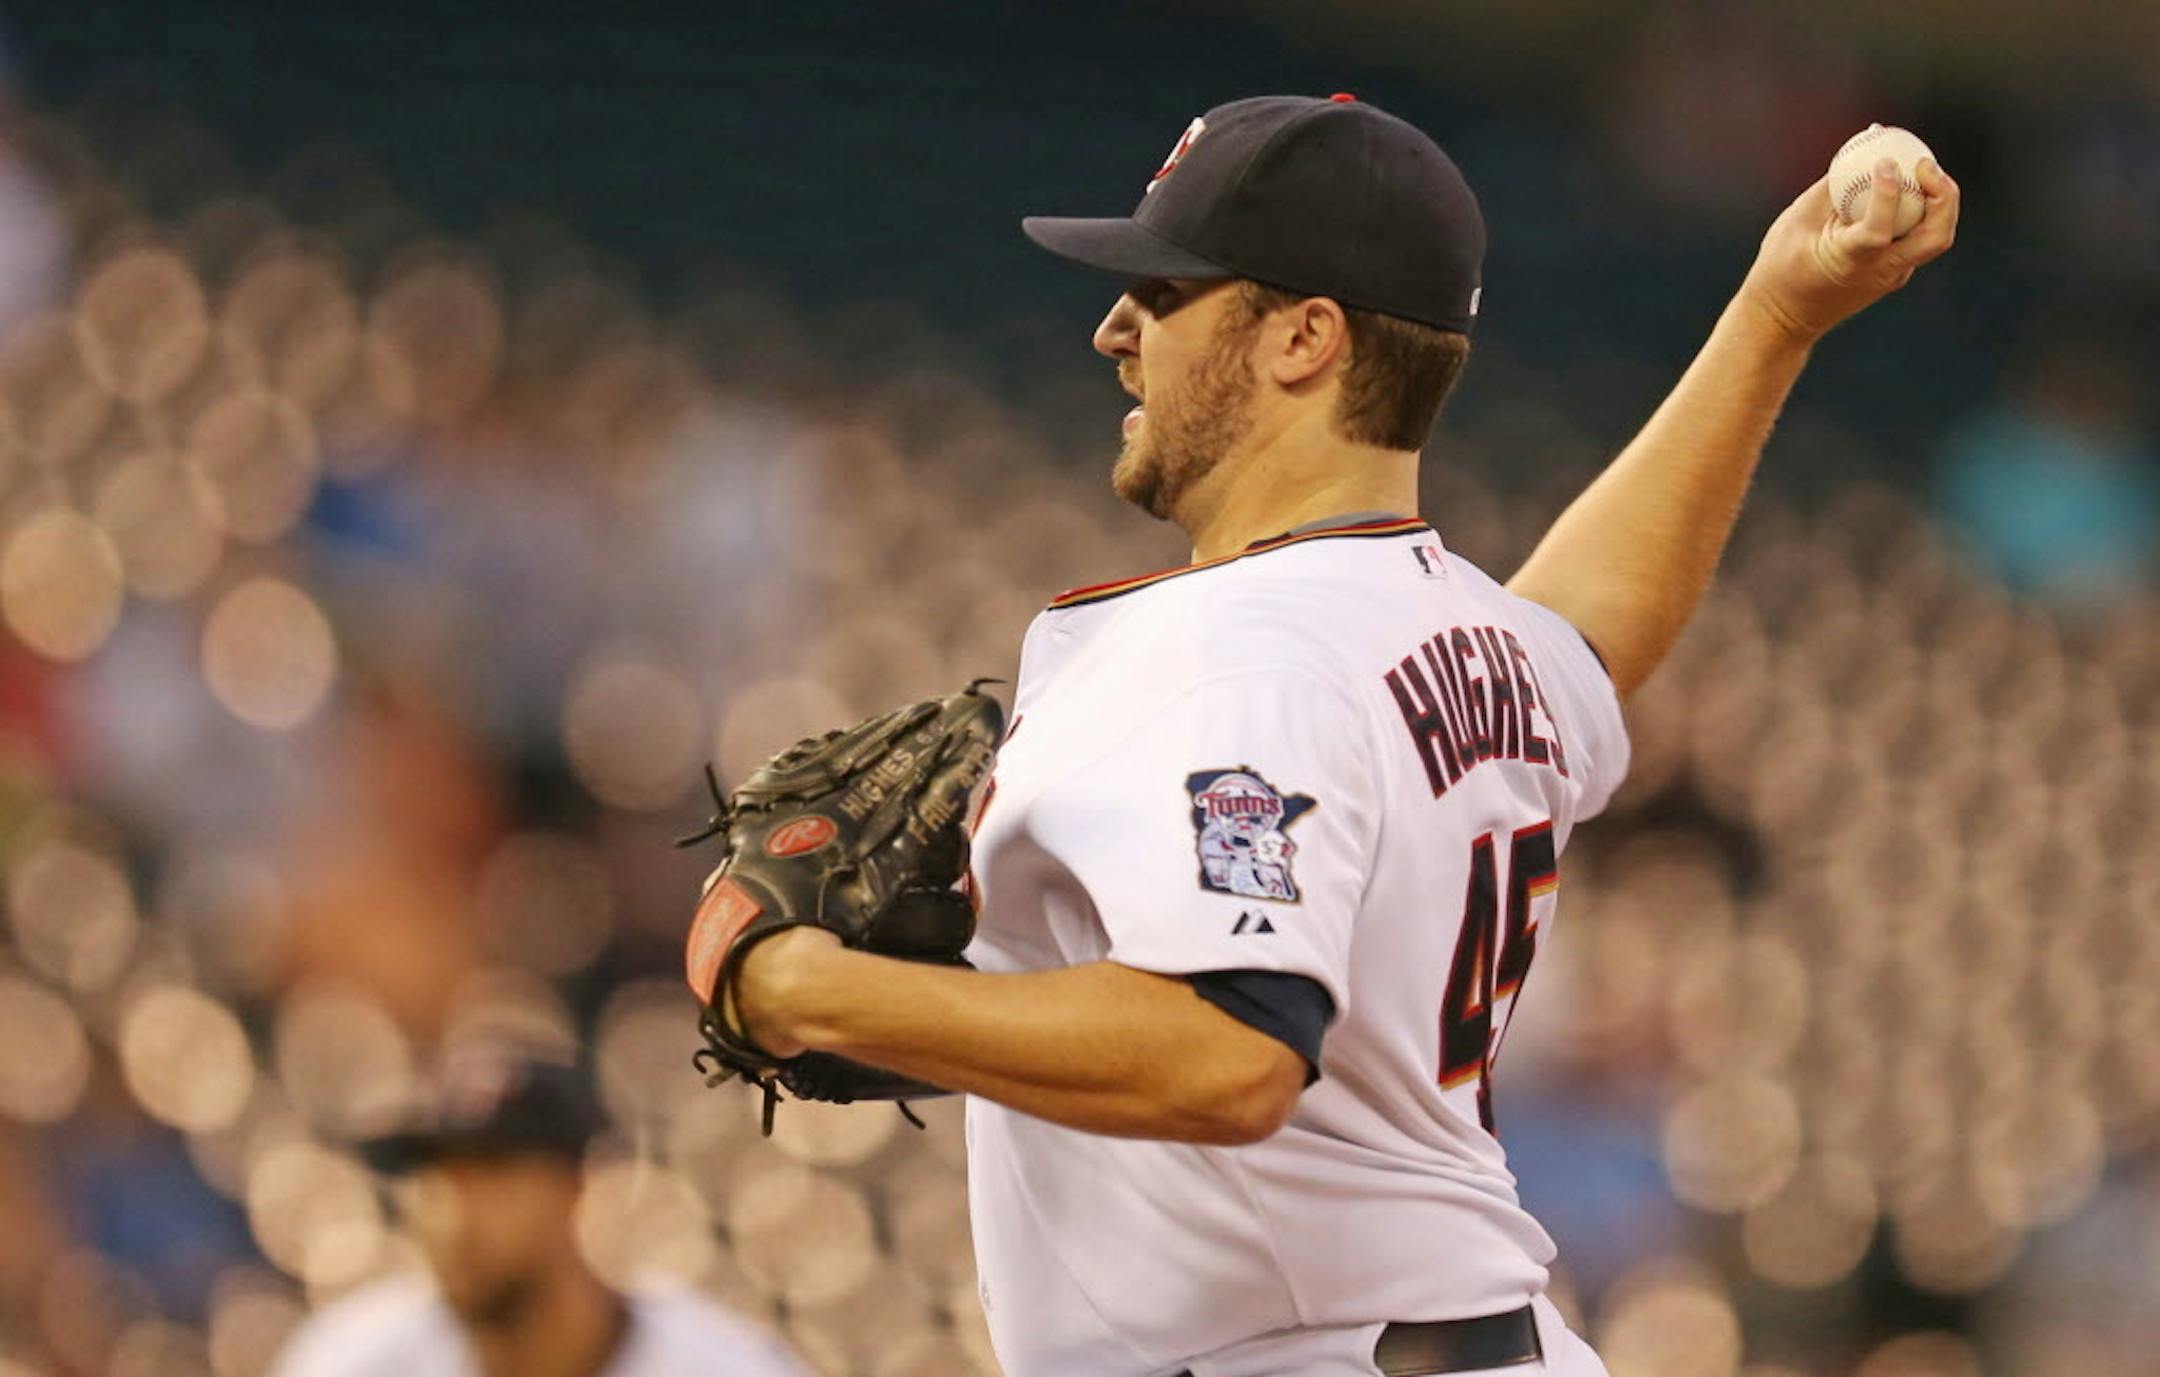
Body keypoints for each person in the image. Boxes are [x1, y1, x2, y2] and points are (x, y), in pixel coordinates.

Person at [726, 94, 1958, 1375]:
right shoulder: (1460, 634)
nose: (1113, 330)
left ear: (1304, 337)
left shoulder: (1240, 654)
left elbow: (1231, 1056)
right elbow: (1594, 632)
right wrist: (1773, 319)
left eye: (1162, 292)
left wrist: (805, 990)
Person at [269, 1048, 805, 1377]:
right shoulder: (350, 1361)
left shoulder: (726, 1368)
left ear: (577, 1187)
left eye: (492, 1174)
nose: (454, 1211)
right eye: (437, 1177)